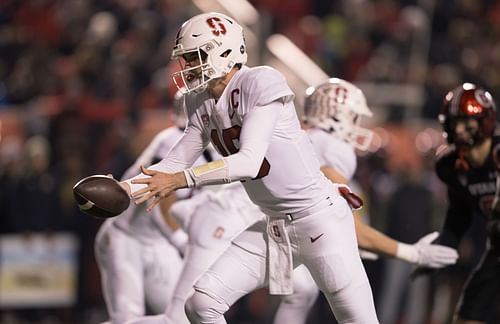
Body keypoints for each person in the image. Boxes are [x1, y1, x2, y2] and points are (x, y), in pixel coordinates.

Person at [121, 11, 380, 323]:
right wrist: (122, 189)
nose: (187, 67)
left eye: (194, 57)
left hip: (319, 220)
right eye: (186, 59)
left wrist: (179, 180)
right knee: (201, 305)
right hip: (275, 225)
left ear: (224, 51)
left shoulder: (261, 80)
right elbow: (174, 162)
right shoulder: (199, 101)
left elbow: (248, 161)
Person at [95, 93, 209, 324]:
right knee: (126, 319)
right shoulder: (172, 139)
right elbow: (158, 196)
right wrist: (179, 238)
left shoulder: (213, 147)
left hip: (158, 242)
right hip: (127, 236)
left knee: (182, 317)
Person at [416, 82, 499, 324]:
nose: (459, 129)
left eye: (466, 122)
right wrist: (443, 250)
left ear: (485, 120)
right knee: (466, 316)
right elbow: (458, 215)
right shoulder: (452, 166)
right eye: (454, 122)